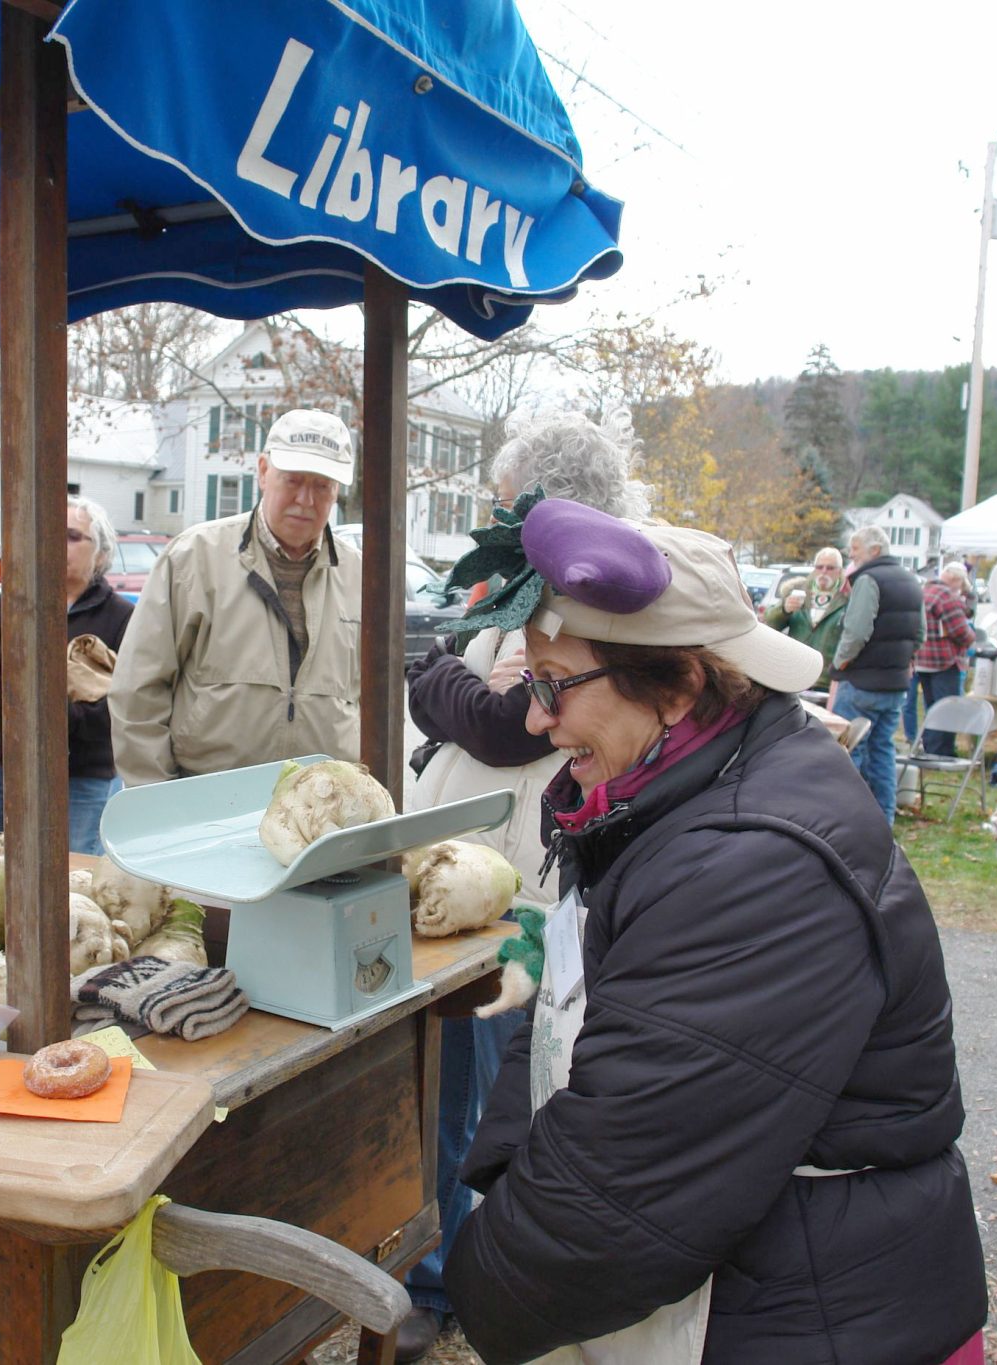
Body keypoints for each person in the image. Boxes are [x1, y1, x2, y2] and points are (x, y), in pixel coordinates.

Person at [442, 498, 986, 1365]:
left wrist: (485, 1284)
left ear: (680, 684)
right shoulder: (669, 794)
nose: (535, 719)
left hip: (809, 1319)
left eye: (552, 684)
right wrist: (508, 1186)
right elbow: (564, 1031)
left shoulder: (753, 866)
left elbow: (616, 1202)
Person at [398, 411, 644, 1360]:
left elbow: (505, 721)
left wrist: (434, 681)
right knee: (463, 1083)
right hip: (483, 875)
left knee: (511, 1089)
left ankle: (483, 1280)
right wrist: (450, 686)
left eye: (507, 504)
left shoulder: (575, 594)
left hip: (520, 890)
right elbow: (481, 697)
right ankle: (446, 1271)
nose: (495, 518)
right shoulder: (538, 581)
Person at [110, 408, 362, 784]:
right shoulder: (193, 558)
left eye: (323, 485)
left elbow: (377, 702)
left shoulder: (361, 576)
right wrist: (157, 800)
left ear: (337, 491)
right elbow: (137, 692)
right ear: (263, 471)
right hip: (206, 799)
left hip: (323, 802)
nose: (306, 499)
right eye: (293, 480)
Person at [0, 495, 132, 851]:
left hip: (79, 779)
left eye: (71, 536)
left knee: (73, 875)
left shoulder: (121, 618)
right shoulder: (15, 603)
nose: (56, 543)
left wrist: (46, 712)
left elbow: (123, 709)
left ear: (102, 554)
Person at [829, 523, 924, 822]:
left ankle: (847, 821)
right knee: (883, 752)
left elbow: (856, 631)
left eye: (855, 549)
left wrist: (839, 663)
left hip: (861, 681)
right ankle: (883, 822)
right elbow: (920, 633)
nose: (851, 555)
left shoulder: (869, 579)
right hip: (895, 684)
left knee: (849, 753)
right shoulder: (911, 581)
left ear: (875, 550)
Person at [906, 562, 977, 755]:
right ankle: (941, 752)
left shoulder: (925, 591)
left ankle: (930, 747)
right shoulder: (945, 596)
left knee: (932, 708)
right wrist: (972, 637)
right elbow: (960, 631)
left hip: (923, 660)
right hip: (943, 661)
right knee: (947, 709)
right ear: (955, 580)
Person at [761, 544, 847, 688]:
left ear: (839, 571)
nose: (824, 572)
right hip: (796, 673)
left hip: (828, 678)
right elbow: (770, 623)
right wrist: (784, 609)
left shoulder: (847, 598)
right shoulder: (798, 591)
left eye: (830, 568)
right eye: (819, 567)